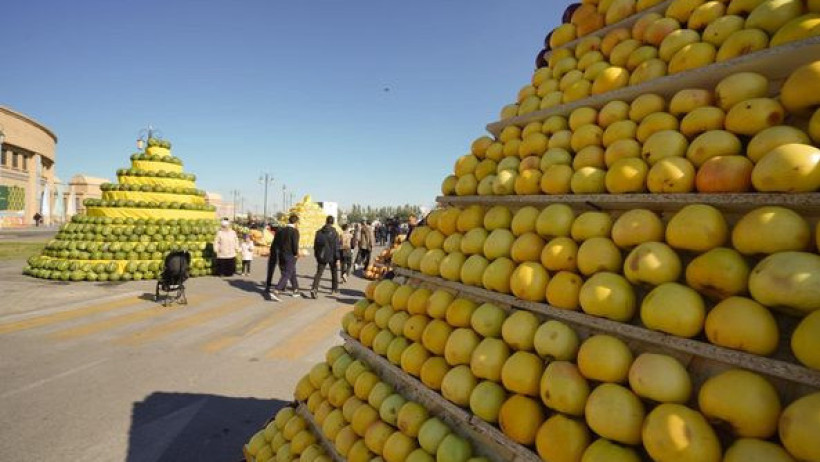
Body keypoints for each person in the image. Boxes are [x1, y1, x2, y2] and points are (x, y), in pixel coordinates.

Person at [270, 214, 302, 302]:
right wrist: (296, 253)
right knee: (287, 273)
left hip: (281, 253)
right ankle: (276, 290)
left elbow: (277, 242)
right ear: (296, 222)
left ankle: (295, 289)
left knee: (292, 271)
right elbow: (295, 244)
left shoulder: (282, 230)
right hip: (290, 254)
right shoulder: (295, 231)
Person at [310, 216, 339, 298]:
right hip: (332, 256)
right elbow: (336, 246)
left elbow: (315, 245)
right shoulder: (334, 233)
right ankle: (334, 289)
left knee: (318, 273)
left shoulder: (319, 232)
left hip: (321, 256)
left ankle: (314, 288)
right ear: (333, 222)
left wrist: (317, 255)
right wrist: (338, 258)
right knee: (334, 272)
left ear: (326, 221)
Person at [264, 224, 280, 293]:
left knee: (270, 270)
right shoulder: (280, 233)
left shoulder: (276, 234)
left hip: (274, 254)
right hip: (279, 254)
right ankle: (282, 286)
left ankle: (268, 286)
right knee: (282, 270)